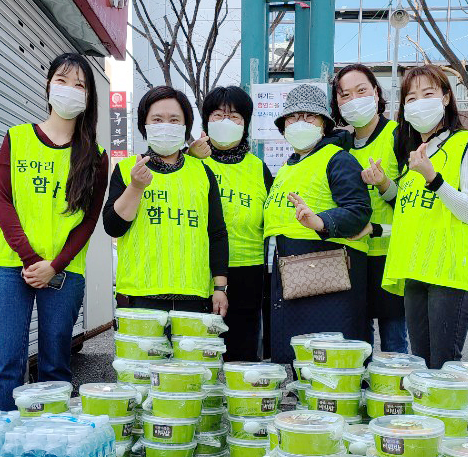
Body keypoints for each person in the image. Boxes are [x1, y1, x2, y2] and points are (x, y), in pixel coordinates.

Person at [0, 53, 108, 410]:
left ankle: (50, 448)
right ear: (48, 86)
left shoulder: (96, 156)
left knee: (56, 364)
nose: (69, 90)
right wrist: (31, 259)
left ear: (88, 98)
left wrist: (53, 266)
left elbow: (88, 221)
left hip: (64, 270)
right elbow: (3, 203)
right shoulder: (18, 138)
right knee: (7, 362)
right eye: (61, 80)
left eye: (79, 84)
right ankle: (2, 444)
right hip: (11, 264)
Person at [381, 64, 468, 369]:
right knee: (421, 364)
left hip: (450, 273)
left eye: (428, 93)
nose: (419, 103)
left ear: (445, 98)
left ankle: (451, 418)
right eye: (411, 98)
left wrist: (434, 178)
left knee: (443, 365)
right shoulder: (413, 156)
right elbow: (412, 217)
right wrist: (381, 192)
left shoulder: (467, 143)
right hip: (417, 271)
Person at [263, 84, 372, 363]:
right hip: (288, 273)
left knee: (327, 358)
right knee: (297, 359)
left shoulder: (338, 160)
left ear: (324, 124)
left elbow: (359, 211)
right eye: (292, 117)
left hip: (325, 276)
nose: (300, 123)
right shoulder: (287, 167)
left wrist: (321, 221)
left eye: (309, 116)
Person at [103, 86, 229, 315]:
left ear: (185, 127)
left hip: (193, 295)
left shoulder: (203, 172)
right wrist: (135, 187)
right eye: (157, 119)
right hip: (139, 295)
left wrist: (220, 287)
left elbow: (217, 232)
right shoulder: (126, 169)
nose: (166, 125)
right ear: (144, 125)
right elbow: (113, 226)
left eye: (174, 120)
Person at [190, 86, 273, 360]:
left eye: (235, 116)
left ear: (246, 124)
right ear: (205, 122)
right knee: (202, 353)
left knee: (243, 353)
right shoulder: (191, 163)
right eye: (217, 115)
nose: (226, 122)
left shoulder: (258, 168)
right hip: (201, 270)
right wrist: (191, 159)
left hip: (248, 271)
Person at [331, 63, 407, 353]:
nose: (354, 100)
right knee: (355, 339)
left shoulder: (398, 136)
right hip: (351, 255)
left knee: (394, 340)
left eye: (361, 90)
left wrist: (385, 184)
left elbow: (414, 205)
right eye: (345, 95)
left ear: (376, 92)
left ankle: (393, 395)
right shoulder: (339, 145)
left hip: (389, 254)